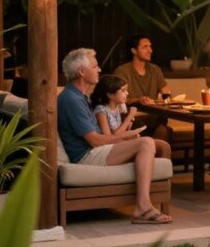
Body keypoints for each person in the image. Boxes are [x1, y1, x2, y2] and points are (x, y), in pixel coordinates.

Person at [57, 48, 173, 224]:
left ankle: (145, 205)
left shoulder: (79, 97)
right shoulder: (72, 100)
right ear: (82, 71)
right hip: (85, 156)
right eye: (95, 66)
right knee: (146, 143)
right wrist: (125, 136)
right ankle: (143, 207)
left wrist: (126, 137)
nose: (99, 70)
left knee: (156, 144)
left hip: (93, 150)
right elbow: (95, 141)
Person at [90, 74, 172, 158]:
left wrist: (130, 124)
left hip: (118, 143)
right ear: (110, 95)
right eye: (123, 90)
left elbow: (124, 130)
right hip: (108, 149)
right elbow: (109, 138)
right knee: (153, 144)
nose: (127, 93)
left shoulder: (119, 107)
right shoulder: (101, 111)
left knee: (163, 144)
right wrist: (130, 116)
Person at [113, 34, 170, 105]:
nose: (150, 50)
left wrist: (164, 97)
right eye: (145, 47)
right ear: (134, 50)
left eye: (150, 46)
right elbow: (117, 99)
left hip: (154, 113)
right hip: (132, 114)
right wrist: (138, 100)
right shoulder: (122, 71)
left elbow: (166, 92)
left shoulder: (155, 69)